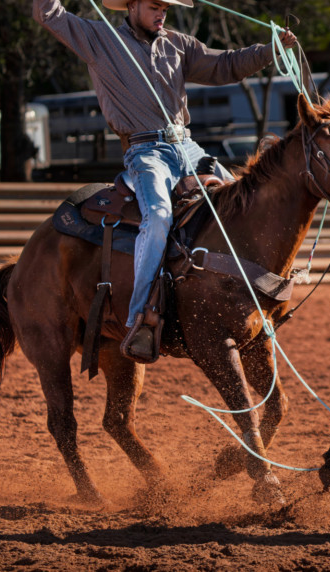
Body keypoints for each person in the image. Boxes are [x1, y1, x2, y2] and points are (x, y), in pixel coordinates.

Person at [33, 0, 297, 362]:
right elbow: (49, 15)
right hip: (145, 152)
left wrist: (269, 50)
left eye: (165, 8)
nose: (162, 14)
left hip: (187, 146)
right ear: (133, 5)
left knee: (245, 200)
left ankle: (253, 297)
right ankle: (140, 316)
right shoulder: (101, 38)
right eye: (155, 6)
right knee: (157, 216)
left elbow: (226, 65)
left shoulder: (179, 44)